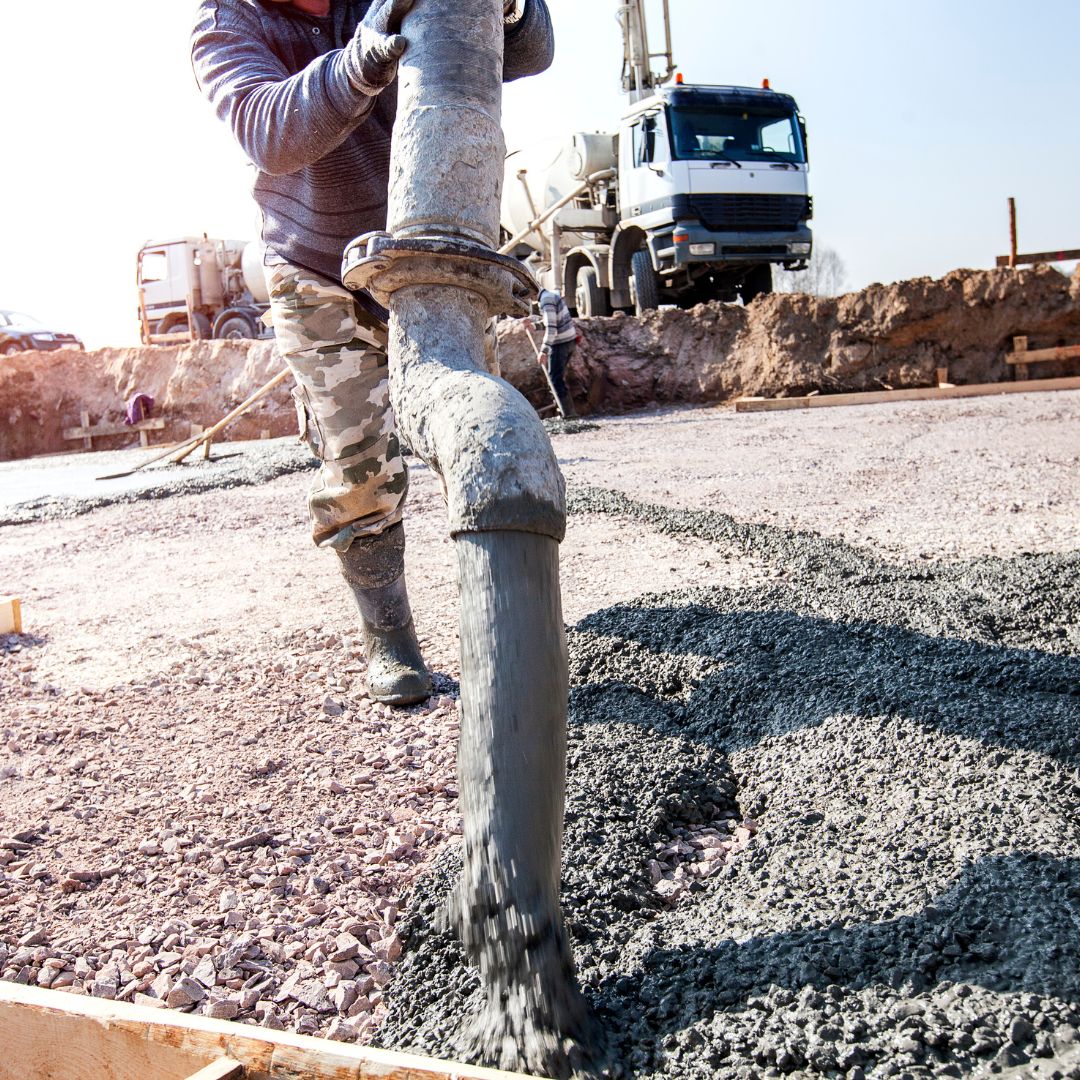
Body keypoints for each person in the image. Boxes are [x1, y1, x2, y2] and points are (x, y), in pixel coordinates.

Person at [191, 0, 554, 706]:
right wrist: (364, 56)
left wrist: (511, 8)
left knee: (467, 434)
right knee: (360, 468)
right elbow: (269, 129)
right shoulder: (226, 22)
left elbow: (531, 52)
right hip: (317, 267)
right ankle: (389, 638)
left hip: (429, 252)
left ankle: (499, 626)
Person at [536, 287, 578, 418]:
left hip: (561, 344)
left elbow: (552, 329)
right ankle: (565, 411)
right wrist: (535, 326)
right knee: (556, 378)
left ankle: (569, 415)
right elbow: (552, 321)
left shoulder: (546, 300)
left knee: (555, 379)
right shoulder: (548, 296)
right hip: (569, 340)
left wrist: (543, 351)